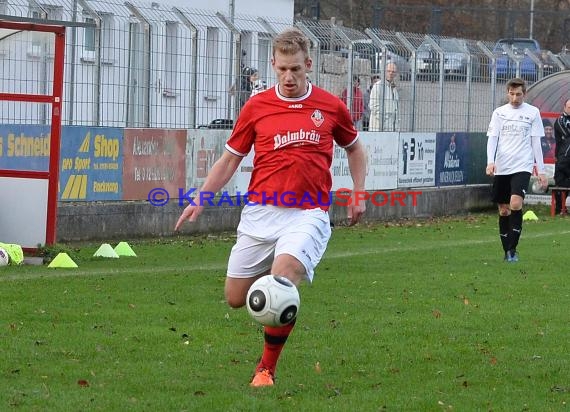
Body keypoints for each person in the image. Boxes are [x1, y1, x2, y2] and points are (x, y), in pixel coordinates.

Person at [175, 27, 367, 387]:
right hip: (261, 213)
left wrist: (358, 191)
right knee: (235, 298)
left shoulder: (329, 106)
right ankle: (274, 310)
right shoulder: (257, 107)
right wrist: (200, 198)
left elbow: (355, 148)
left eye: (295, 69)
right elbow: (230, 159)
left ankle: (265, 369)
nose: (289, 77)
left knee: (282, 280)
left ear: (308, 64)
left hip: (307, 213)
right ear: (273, 65)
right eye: (282, 69)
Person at [485, 77, 548, 262]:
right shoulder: (499, 113)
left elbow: (536, 143)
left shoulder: (533, 113)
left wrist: (541, 171)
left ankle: (513, 250)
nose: (514, 98)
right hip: (502, 166)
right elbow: (493, 138)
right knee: (504, 210)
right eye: (511, 94)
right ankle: (507, 252)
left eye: (518, 94)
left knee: (515, 204)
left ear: (524, 94)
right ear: (507, 93)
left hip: (522, 165)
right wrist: (490, 162)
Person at [369, 62, 400, 132]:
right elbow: (373, 106)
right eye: (389, 71)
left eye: (393, 72)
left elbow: (396, 109)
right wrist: (384, 121)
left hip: (392, 128)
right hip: (379, 128)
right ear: (384, 72)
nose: (391, 73)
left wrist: (397, 126)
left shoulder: (393, 88)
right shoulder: (378, 86)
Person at [553, 98, 570, 215]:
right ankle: (560, 209)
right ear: (564, 108)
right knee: (560, 183)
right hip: (562, 159)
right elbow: (566, 135)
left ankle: (564, 209)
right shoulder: (560, 121)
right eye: (569, 107)